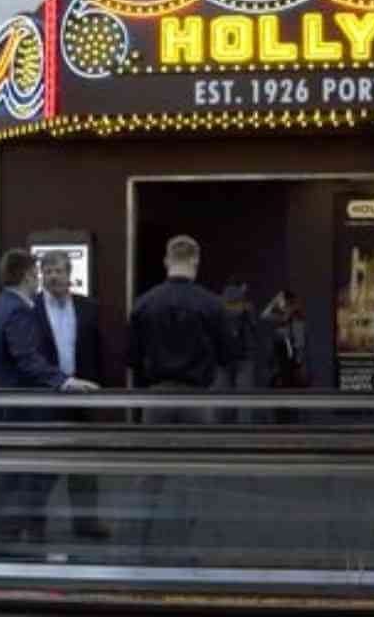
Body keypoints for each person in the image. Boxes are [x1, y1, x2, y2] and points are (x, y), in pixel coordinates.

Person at [0, 249, 98, 549]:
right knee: (22, 479)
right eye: (40, 273)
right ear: (30, 275)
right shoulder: (21, 310)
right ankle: (4, 546)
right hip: (22, 409)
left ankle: (7, 542)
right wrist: (64, 382)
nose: (43, 278)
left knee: (16, 479)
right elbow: (27, 359)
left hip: (10, 407)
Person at [127, 235, 235, 548]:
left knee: (149, 472)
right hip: (197, 397)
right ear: (196, 260)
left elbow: (132, 357)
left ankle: (141, 536)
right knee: (194, 470)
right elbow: (229, 353)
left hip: (157, 396)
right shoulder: (211, 304)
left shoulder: (145, 303)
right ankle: (186, 539)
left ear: (166, 260)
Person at [32, 250, 110, 541]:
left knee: (85, 464)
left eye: (58, 271)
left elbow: (98, 352)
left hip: (83, 396)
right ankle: (35, 524)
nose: (53, 276)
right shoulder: (32, 308)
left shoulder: (88, 307)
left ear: (69, 275)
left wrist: (101, 390)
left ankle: (87, 522)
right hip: (47, 396)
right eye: (47, 271)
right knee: (43, 465)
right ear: (41, 276)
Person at [214, 276, 259, 424]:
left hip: (223, 356)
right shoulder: (247, 306)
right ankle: (245, 435)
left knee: (222, 399)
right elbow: (254, 328)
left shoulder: (218, 304)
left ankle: (221, 433)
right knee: (245, 402)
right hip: (244, 356)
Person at [261, 289, 309, 424]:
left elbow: (300, 346)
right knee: (280, 406)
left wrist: (300, 365)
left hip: (292, 367)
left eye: (286, 303)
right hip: (280, 368)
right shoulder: (281, 319)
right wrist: (278, 299)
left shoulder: (298, 320)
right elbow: (265, 315)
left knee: (293, 406)